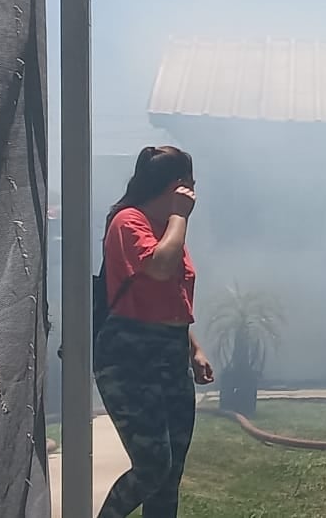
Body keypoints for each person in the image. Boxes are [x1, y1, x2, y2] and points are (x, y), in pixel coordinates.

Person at [95, 146, 215, 518]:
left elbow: (172, 294)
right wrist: (180, 216)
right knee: (152, 466)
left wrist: (194, 348)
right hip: (130, 353)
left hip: (171, 350)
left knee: (170, 473)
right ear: (177, 185)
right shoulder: (128, 221)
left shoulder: (168, 229)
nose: (195, 191)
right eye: (190, 184)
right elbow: (160, 268)